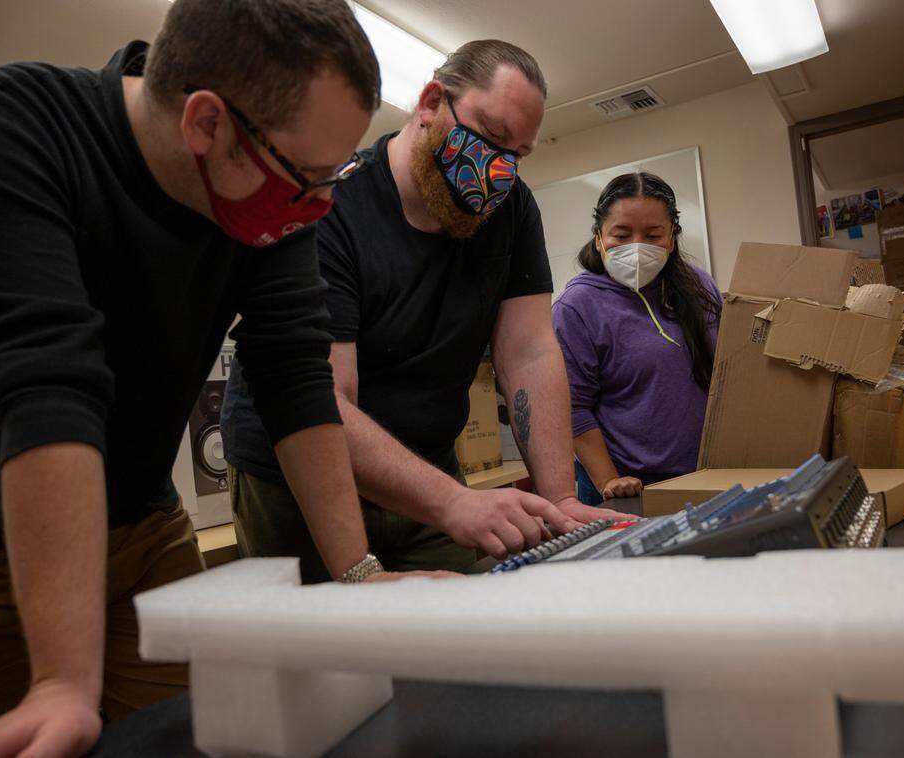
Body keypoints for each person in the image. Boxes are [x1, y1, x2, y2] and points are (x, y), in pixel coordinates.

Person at [0, 2, 443, 755]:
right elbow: (48, 390)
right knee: (47, 734)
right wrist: (62, 679)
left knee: (201, 733)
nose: (321, 205)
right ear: (207, 123)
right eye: (308, 178)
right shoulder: (2, 125)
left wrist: (359, 574)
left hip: (143, 524)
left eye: (335, 177)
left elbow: (292, 375)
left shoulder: (270, 201)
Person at [221, 40, 631, 583]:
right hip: (301, 479)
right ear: (432, 102)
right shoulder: (335, 205)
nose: (497, 170)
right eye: (489, 137)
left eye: (518, 155)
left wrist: (557, 499)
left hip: (428, 465)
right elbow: (320, 398)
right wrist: (450, 504)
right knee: (331, 653)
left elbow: (529, 351)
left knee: (452, 639)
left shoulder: (511, 210)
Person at [551, 173, 722, 506]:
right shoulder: (577, 307)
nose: (637, 246)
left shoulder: (699, 287)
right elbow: (574, 408)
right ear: (599, 237)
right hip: (628, 489)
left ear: (672, 238)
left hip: (705, 476)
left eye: (653, 235)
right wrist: (610, 480)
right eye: (622, 234)